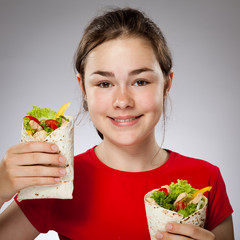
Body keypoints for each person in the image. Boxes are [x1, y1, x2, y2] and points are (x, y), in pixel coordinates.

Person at [0, 7, 234, 240]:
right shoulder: (55, 180)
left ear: (166, 84)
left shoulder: (206, 179)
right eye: (104, 83)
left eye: (140, 81)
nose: (122, 101)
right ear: (83, 88)